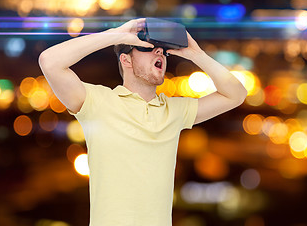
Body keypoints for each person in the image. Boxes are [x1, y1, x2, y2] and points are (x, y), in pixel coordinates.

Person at [38, 18, 247, 226]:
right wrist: (115, 35)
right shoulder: (97, 103)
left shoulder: (174, 111)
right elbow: (49, 62)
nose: (159, 53)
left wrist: (196, 54)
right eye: (147, 48)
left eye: (162, 51)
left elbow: (236, 95)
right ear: (125, 60)